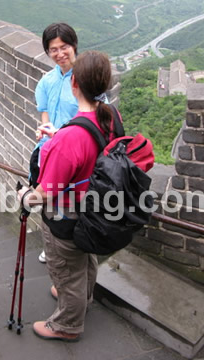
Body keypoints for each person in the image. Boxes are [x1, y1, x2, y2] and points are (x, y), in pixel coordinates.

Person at [18, 50, 118, 341]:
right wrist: (58, 137)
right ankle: (83, 299)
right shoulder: (110, 116)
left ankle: (67, 325)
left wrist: (25, 196)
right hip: (96, 208)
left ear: (73, 83)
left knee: (65, 269)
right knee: (84, 260)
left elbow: (45, 193)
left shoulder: (70, 137)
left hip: (67, 215)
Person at [34, 23, 79, 264]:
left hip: (75, 152)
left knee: (72, 200)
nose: (60, 53)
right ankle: (50, 244)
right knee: (49, 199)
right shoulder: (47, 81)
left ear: (74, 46)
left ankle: (75, 245)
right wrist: (44, 130)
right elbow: (45, 114)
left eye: (64, 47)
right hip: (49, 151)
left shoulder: (85, 78)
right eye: (53, 49)